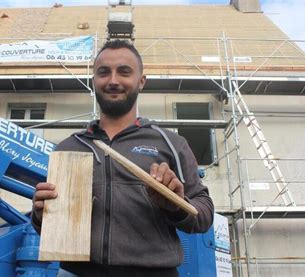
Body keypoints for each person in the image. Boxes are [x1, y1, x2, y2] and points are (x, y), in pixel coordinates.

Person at [31, 40, 214, 277]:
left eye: (124, 72)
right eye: (103, 72)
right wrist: (40, 212)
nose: (113, 80)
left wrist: (175, 205)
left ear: (141, 81)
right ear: (94, 81)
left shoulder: (170, 143)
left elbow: (204, 214)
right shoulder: (68, 147)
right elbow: (45, 226)